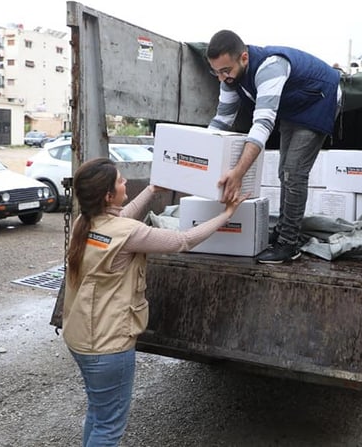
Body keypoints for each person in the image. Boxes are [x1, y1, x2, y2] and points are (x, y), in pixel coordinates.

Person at [63, 157, 246, 446]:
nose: (125, 183)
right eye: (121, 181)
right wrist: (228, 213)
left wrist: (151, 190)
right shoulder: (126, 233)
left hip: (81, 340)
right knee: (109, 428)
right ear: (108, 196)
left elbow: (120, 220)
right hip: (108, 346)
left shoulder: (83, 224)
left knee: (99, 415)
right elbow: (182, 241)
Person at [206, 29, 342, 264]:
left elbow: (262, 124)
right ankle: (283, 230)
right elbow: (221, 121)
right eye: (216, 72)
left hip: (319, 97)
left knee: (294, 171)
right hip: (293, 104)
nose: (221, 78)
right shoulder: (228, 78)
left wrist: (238, 173)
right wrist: (199, 155)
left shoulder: (270, 67)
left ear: (244, 58)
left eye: (226, 71)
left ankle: (288, 244)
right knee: (284, 172)